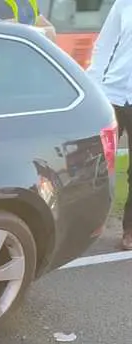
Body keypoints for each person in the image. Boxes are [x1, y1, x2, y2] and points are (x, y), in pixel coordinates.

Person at [87, 0, 132, 250]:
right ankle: (88, 223)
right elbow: (104, 45)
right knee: (97, 164)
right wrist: (94, 87)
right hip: (112, 95)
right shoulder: (124, 4)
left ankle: (130, 229)